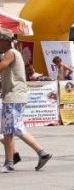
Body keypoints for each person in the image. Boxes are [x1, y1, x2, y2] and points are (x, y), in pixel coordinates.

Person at [0, 28, 53, 173]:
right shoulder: (11, 54)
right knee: (12, 130)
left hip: (13, 97)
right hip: (14, 96)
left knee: (11, 130)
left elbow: (2, 66)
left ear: (4, 41)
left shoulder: (10, 53)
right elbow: (7, 76)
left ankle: (11, 163)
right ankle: (40, 154)